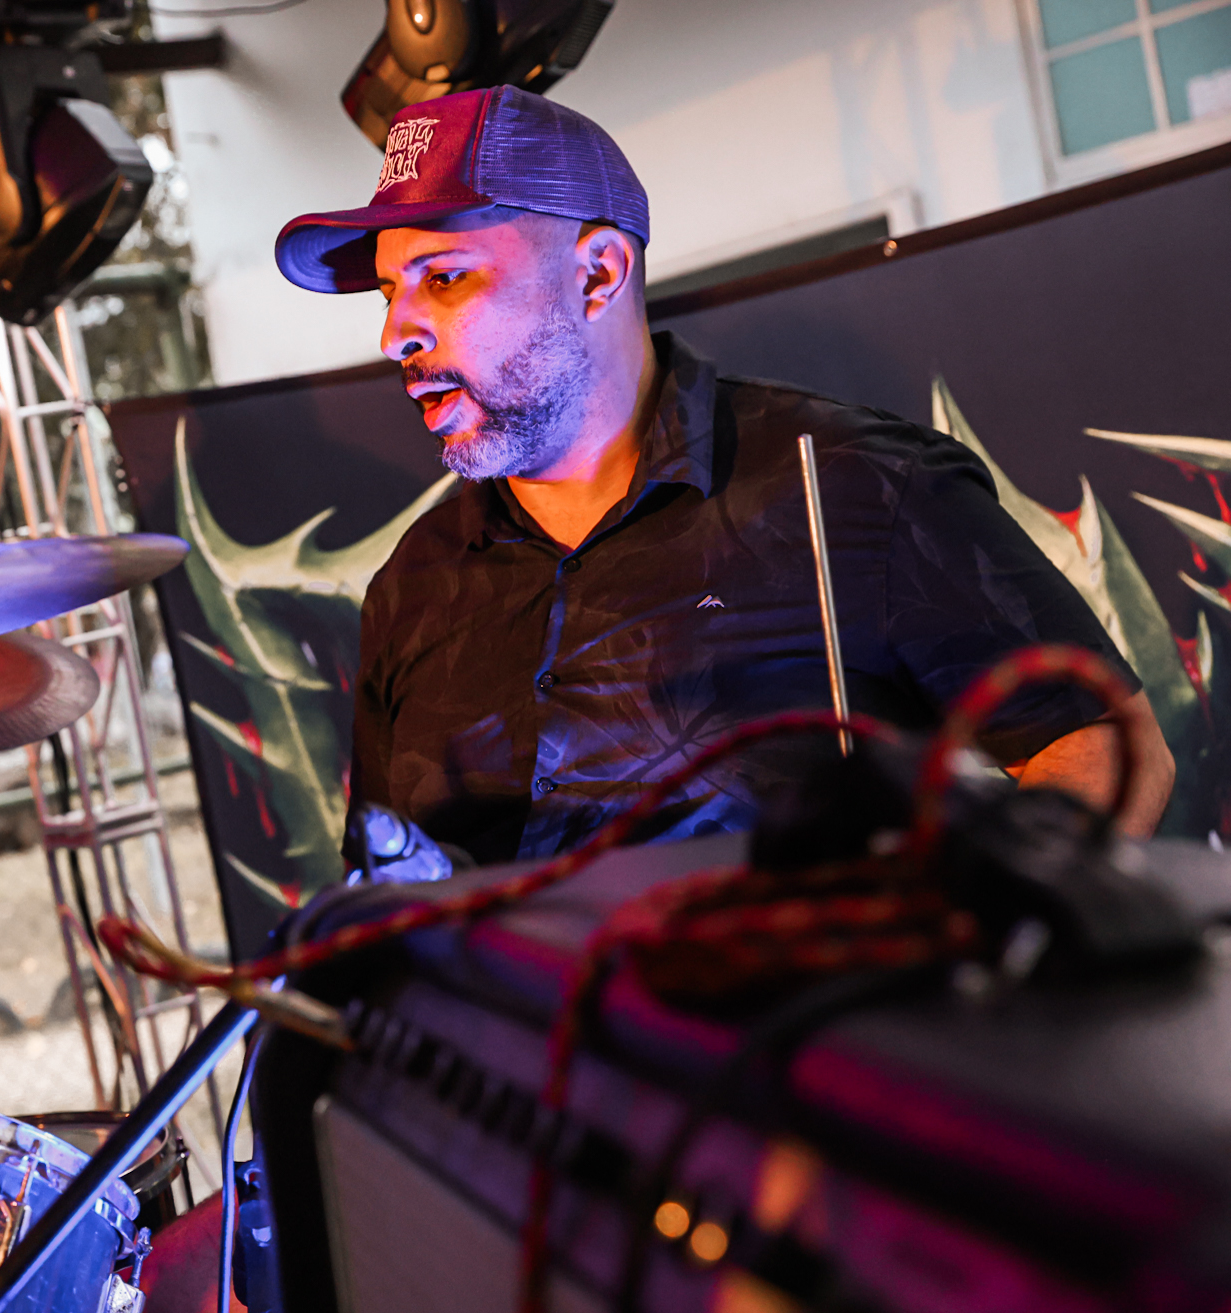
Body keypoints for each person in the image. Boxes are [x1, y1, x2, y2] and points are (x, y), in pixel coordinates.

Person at [273, 85, 1175, 867]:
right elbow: (384, 874)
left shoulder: (852, 484)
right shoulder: (412, 585)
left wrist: (956, 940)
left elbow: (1104, 745)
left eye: (443, 278)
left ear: (597, 274)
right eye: (388, 291)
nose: (394, 334)